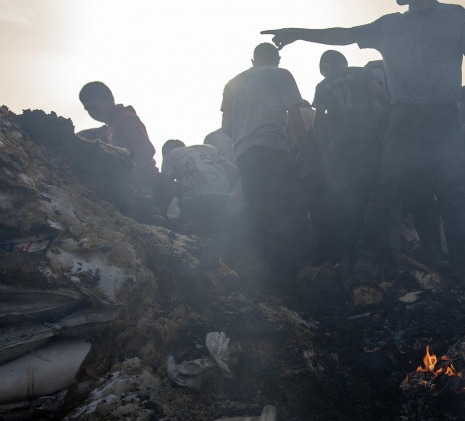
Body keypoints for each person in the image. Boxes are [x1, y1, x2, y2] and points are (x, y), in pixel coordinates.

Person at [263, 0, 465, 275]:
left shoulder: (454, 16)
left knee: (452, 190)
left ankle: (464, 266)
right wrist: (299, 32)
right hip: (405, 119)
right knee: (409, 190)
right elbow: (344, 34)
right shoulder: (390, 26)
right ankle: (429, 260)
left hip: (444, 118)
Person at [221, 43, 309, 279]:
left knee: (256, 209)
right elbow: (295, 116)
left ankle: (257, 272)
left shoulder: (232, 83)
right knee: (288, 209)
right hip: (273, 148)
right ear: (277, 59)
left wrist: (245, 140)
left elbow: (226, 127)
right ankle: (287, 272)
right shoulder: (280, 74)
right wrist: (305, 152)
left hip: (244, 154)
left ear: (253, 60)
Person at [312, 50, 389, 263]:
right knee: (372, 200)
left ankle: (349, 259)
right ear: (344, 62)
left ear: (325, 67)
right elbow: (382, 97)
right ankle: (378, 258)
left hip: (340, 152)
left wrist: (326, 160)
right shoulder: (361, 73)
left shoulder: (322, 86)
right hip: (368, 146)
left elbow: (317, 124)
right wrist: (385, 128)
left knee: (346, 205)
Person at [77, 81, 158, 189]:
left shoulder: (125, 118)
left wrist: (127, 175)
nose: (93, 112)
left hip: (150, 185)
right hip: (135, 185)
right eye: (88, 110)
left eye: (95, 107)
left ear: (109, 100)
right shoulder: (111, 126)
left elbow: (146, 150)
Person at [161, 140, 233, 235]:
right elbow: (232, 170)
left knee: (199, 233)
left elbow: (167, 189)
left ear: (165, 152)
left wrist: (164, 215)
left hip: (197, 199)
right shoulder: (208, 147)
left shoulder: (169, 156)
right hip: (223, 195)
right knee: (222, 231)